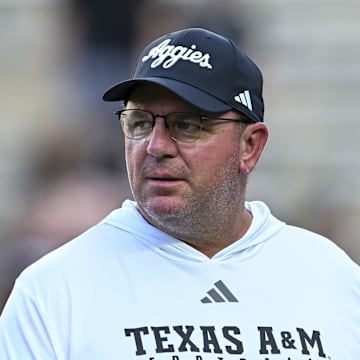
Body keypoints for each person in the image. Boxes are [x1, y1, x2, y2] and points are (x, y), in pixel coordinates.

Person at [0, 27, 359, 359]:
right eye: (140, 123)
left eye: (186, 125)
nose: (155, 146)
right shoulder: (53, 291)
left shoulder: (331, 278)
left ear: (250, 145)